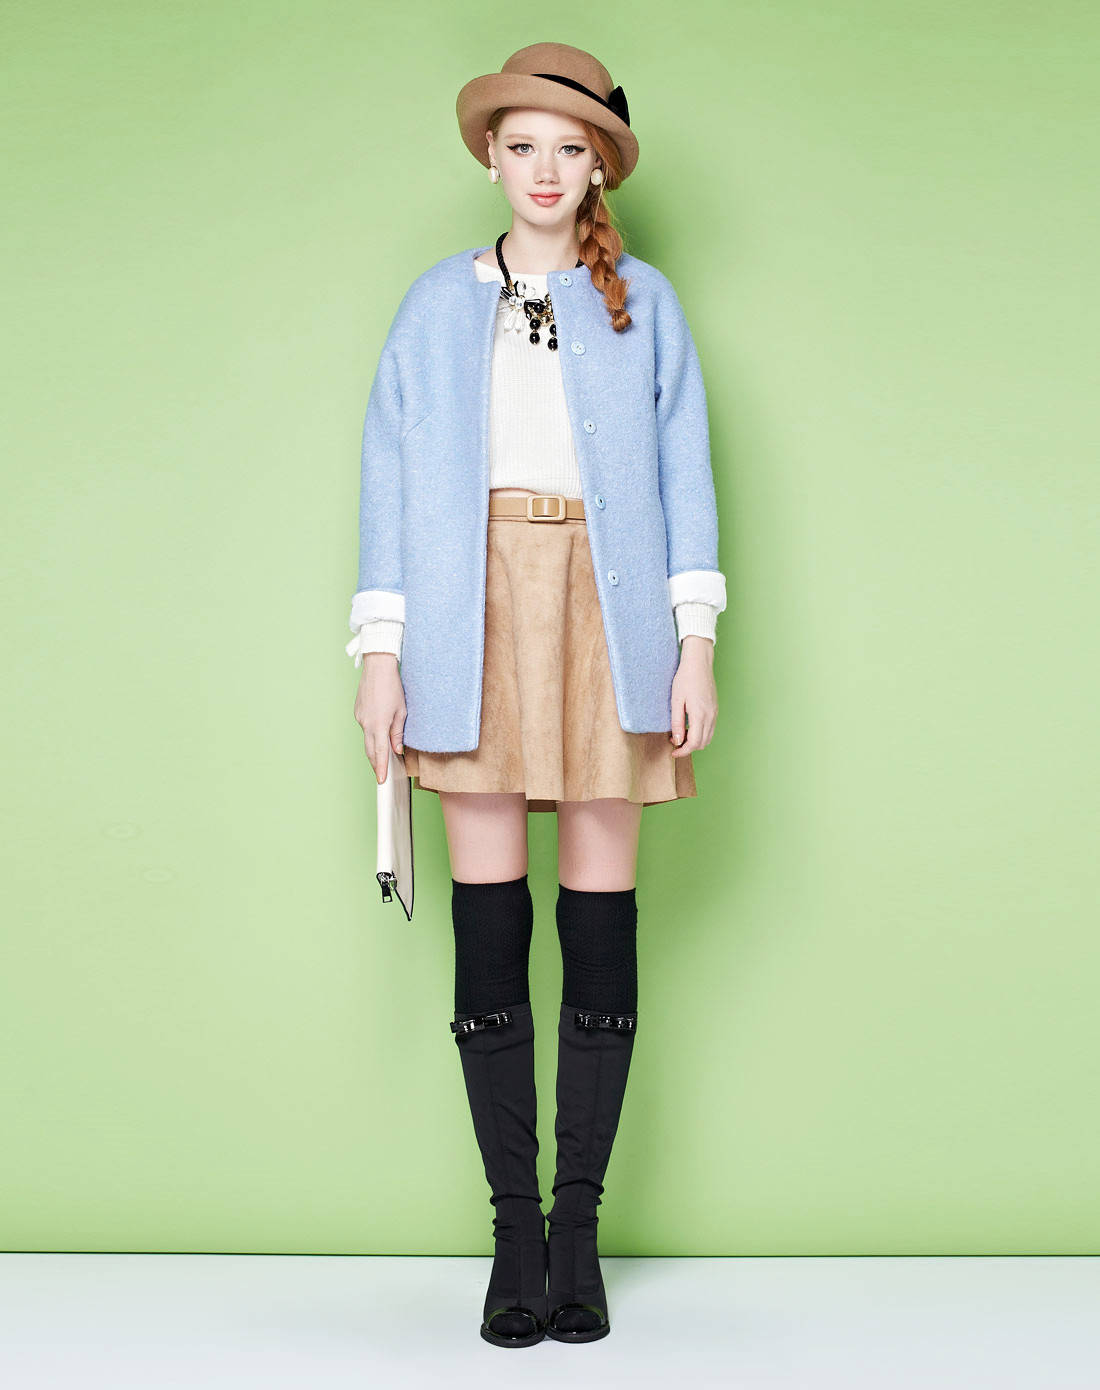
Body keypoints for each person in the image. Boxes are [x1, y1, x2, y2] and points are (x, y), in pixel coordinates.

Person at [347, 42, 727, 1347]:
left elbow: (684, 472)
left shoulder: (644, 303)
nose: (546, 170)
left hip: (611, 619)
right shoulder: (433, 307)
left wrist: (693, 642)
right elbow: (390, 479)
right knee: (491, 923)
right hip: (472, 614)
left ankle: (579, 1231)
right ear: (493, 160)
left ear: (600, 165)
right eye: (523, 146)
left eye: (570, 148)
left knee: (601, 923)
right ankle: (515, 1232)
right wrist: (381, 653)